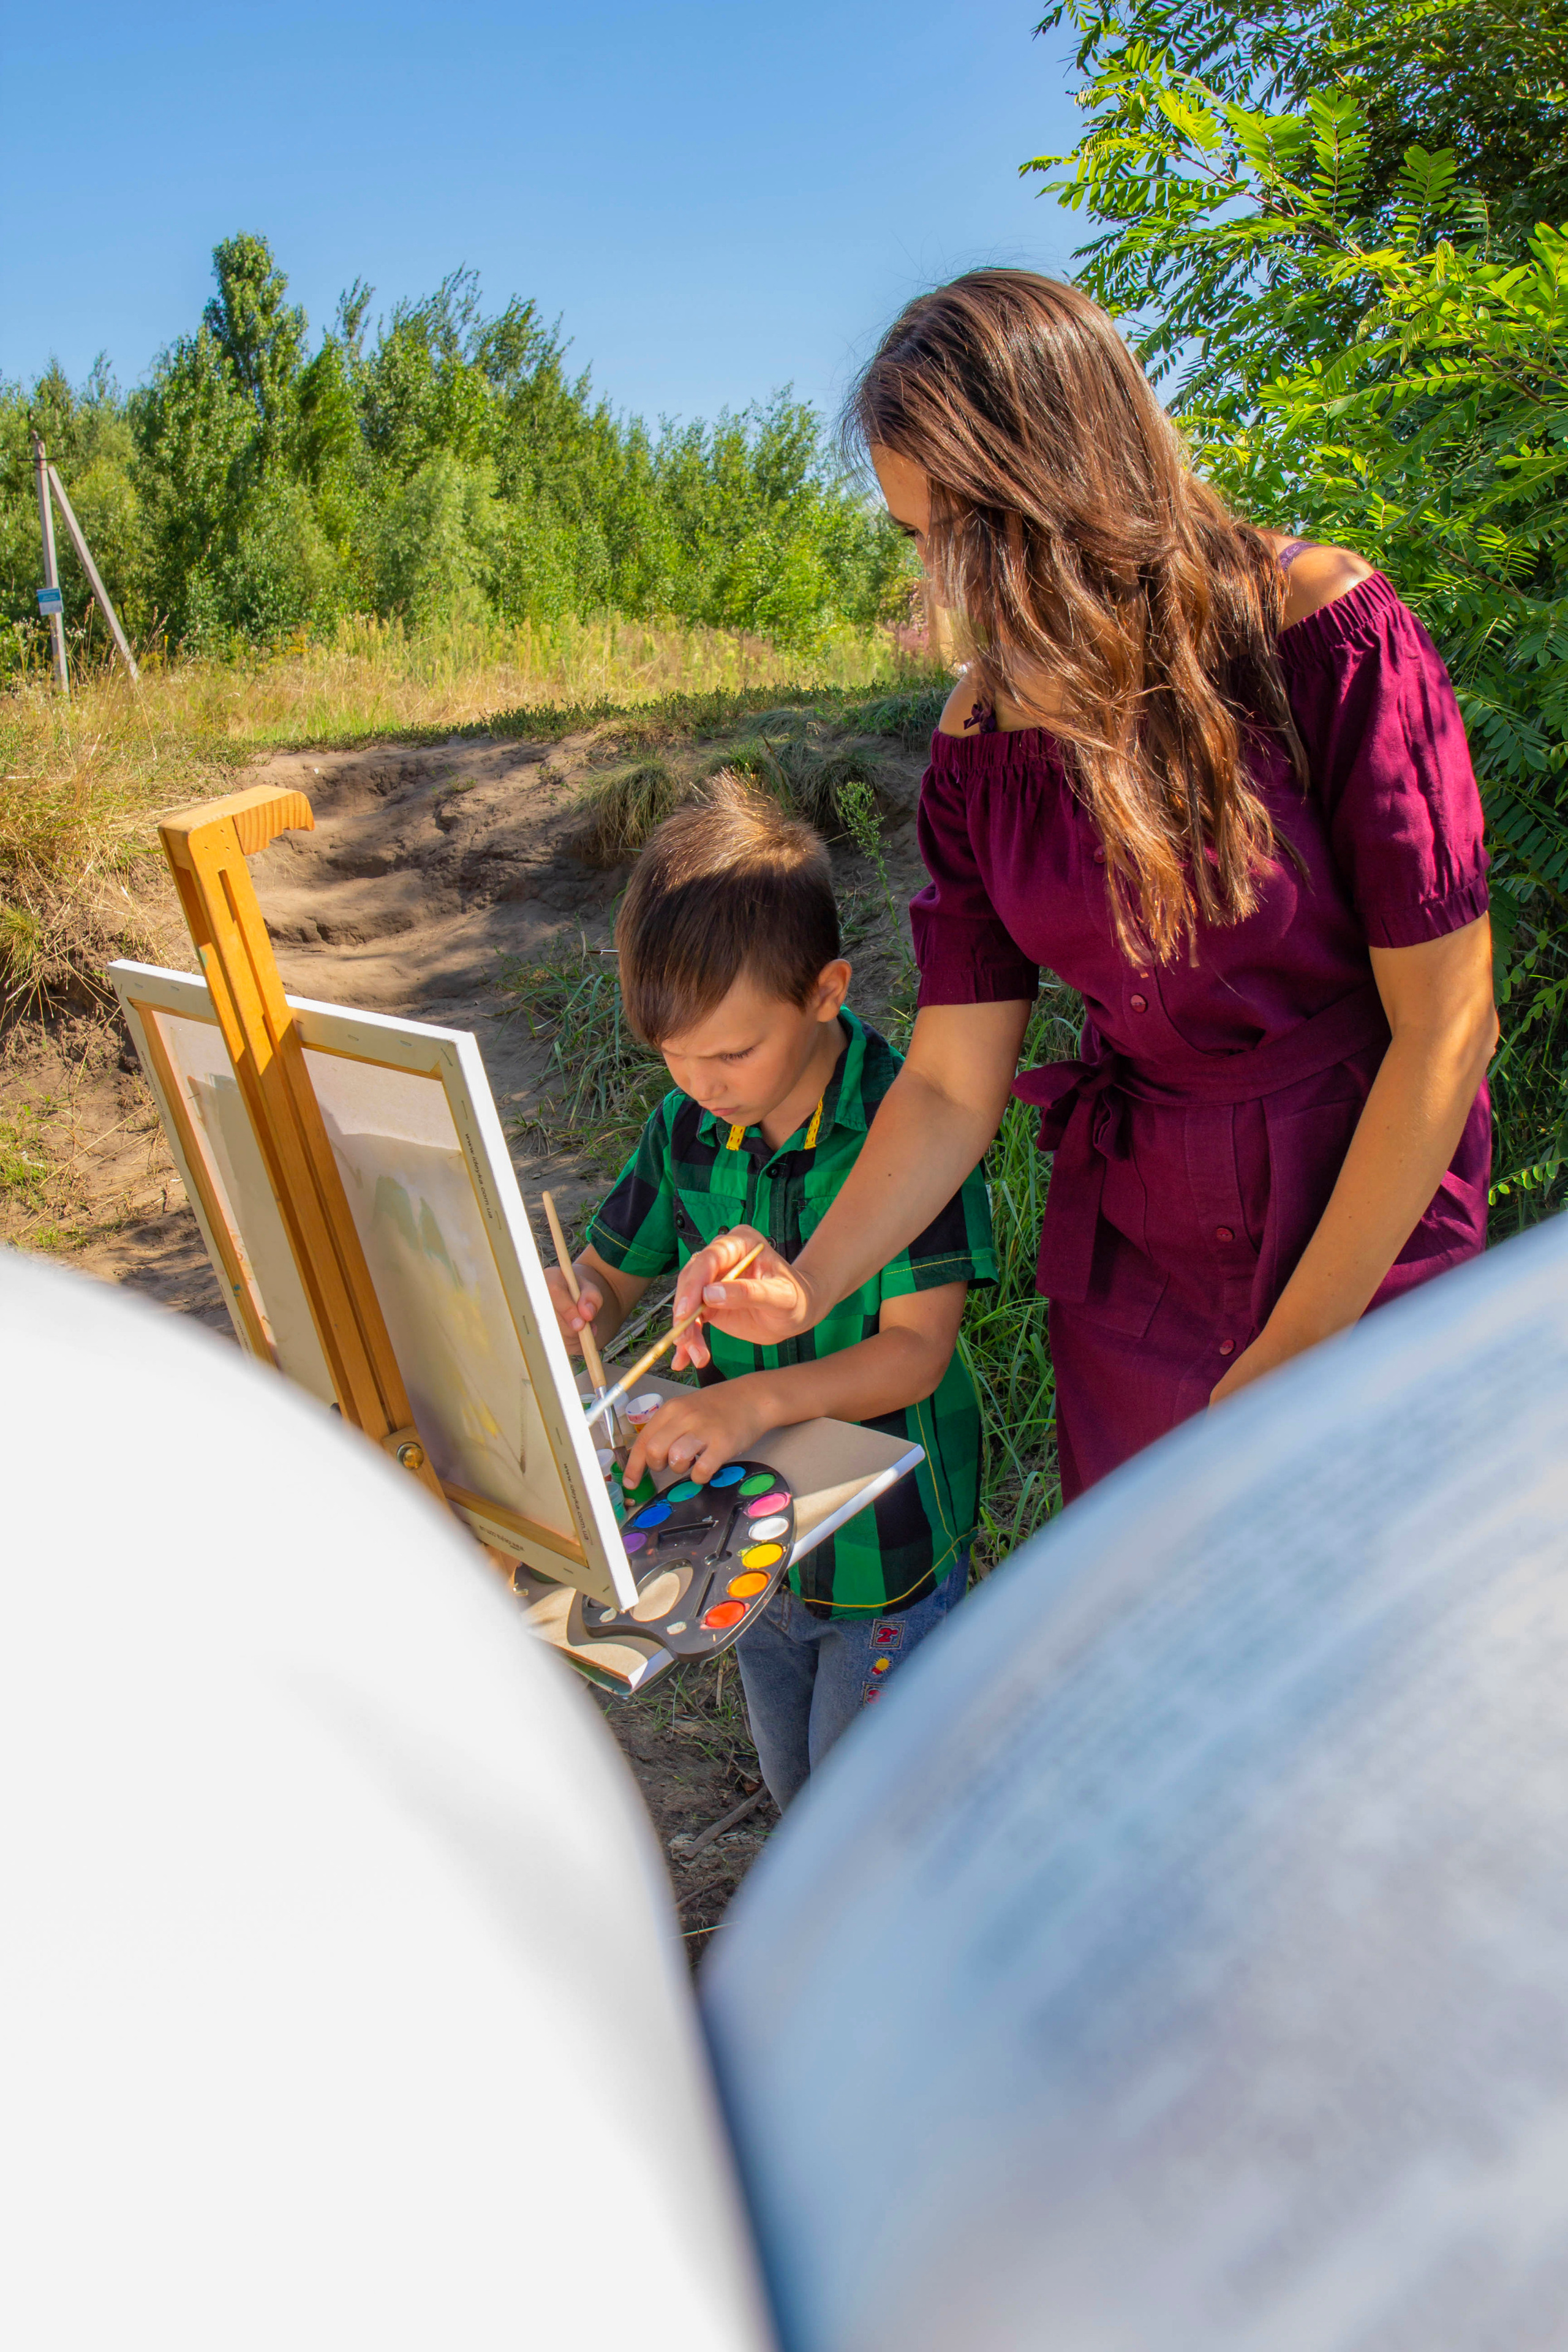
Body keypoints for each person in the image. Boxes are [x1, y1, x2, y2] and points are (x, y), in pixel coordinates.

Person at [665, 271, 1498, 1504]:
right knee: (1160, 1633)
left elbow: (1446, 1027)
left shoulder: (1324, 633)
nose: (946, 595)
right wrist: (809, 1278)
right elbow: (952, 1083)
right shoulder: (977, 744)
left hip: (1359, 1228)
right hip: (1137, 1254)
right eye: (916, 541)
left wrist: (1300, 1348)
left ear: (1071, 485)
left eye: (967, 538)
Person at [543, 774, 995, 1804]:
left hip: (890, 1556)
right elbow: (613, 1271)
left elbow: (917, 1352)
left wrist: (749, 1401)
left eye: (731, 1051)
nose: (702, 1082)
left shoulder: (907, 1125)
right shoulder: (690, 1126)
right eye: (672, 1057)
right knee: (797, 1786)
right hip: (749, 1543)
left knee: (864, 1816)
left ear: (828, 991)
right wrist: (582, 1301)